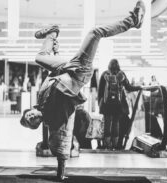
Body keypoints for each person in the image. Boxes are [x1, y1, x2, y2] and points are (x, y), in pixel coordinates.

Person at [20, 1, 145, 181]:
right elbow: (62, 144)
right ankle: (133, 21)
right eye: (32, 122)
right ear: (38, 125)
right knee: (95, 33)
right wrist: (60, 173)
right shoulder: (54, 121)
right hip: (78, 72)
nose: (31, 117)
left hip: (63, 68)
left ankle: (52, 33)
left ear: (29, 110)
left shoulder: (40, 96)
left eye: (28, 116)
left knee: (40, 58)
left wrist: (55, 50)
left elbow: (53, 77)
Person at [98, 59, 142, 150]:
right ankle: (115, 145)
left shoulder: (104, 75)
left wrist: (100, 104)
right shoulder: (121, 75)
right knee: (116, 123)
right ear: (118, 66)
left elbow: (100, 91)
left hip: (107, 104)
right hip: (118, 104)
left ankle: (107, 145)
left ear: (109, 65)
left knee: (107, 123)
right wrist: (139, 87)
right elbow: (129, 87)